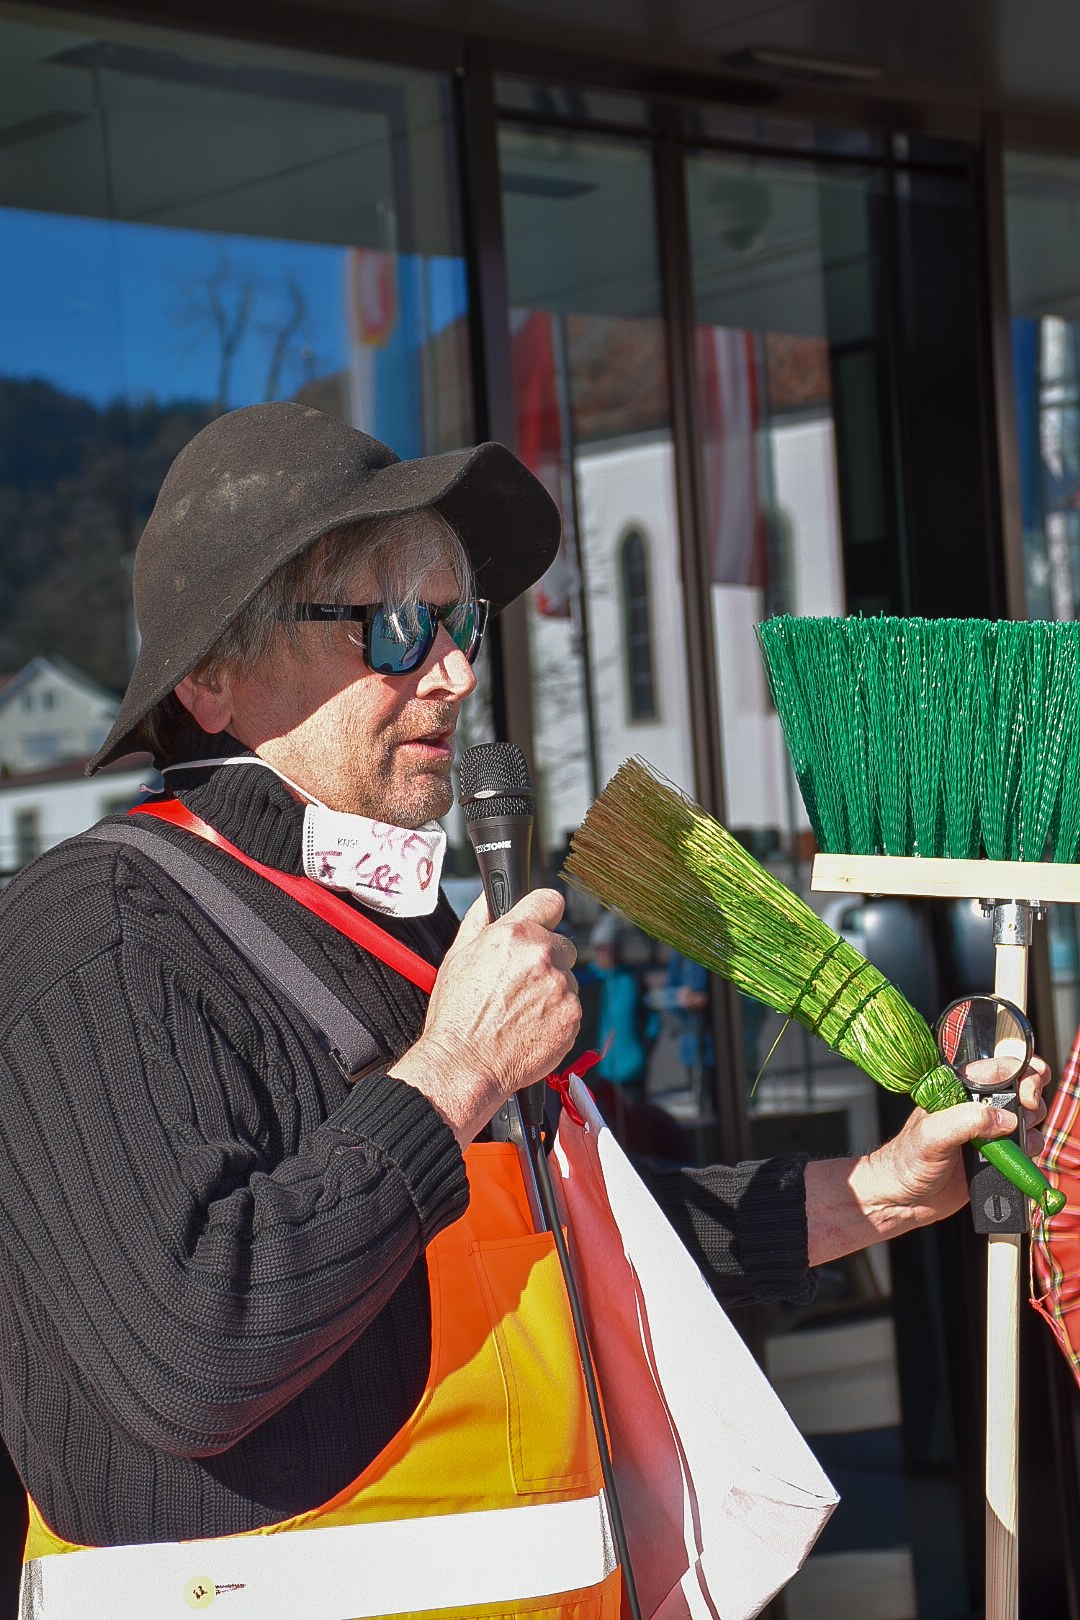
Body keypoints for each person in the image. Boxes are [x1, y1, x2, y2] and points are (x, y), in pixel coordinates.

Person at [0, 403, 1047, 1617]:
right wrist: (453, 1073)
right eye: (394, 627)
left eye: (459, 622)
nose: (452, 673)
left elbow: (567, 1232)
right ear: (213, 679)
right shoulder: (96, 930)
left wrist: (873, 1193)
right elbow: (190, 1349)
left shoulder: (390, 924)